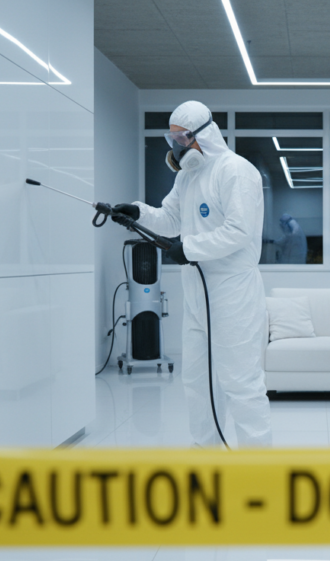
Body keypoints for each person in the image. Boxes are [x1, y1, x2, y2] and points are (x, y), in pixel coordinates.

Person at [111, 101, 272, 448]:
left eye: (182, 138)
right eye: (172, 139)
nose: (177, 147)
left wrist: (189, 248)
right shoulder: (187, 176)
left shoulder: (236, 171)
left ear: (205, 134)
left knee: (241, 383)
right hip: (197, 293)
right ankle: (206, 463)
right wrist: (137, 211)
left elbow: (239, 231)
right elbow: (169, 219)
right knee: (197, 383)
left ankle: (260, 472)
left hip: (233, 292)